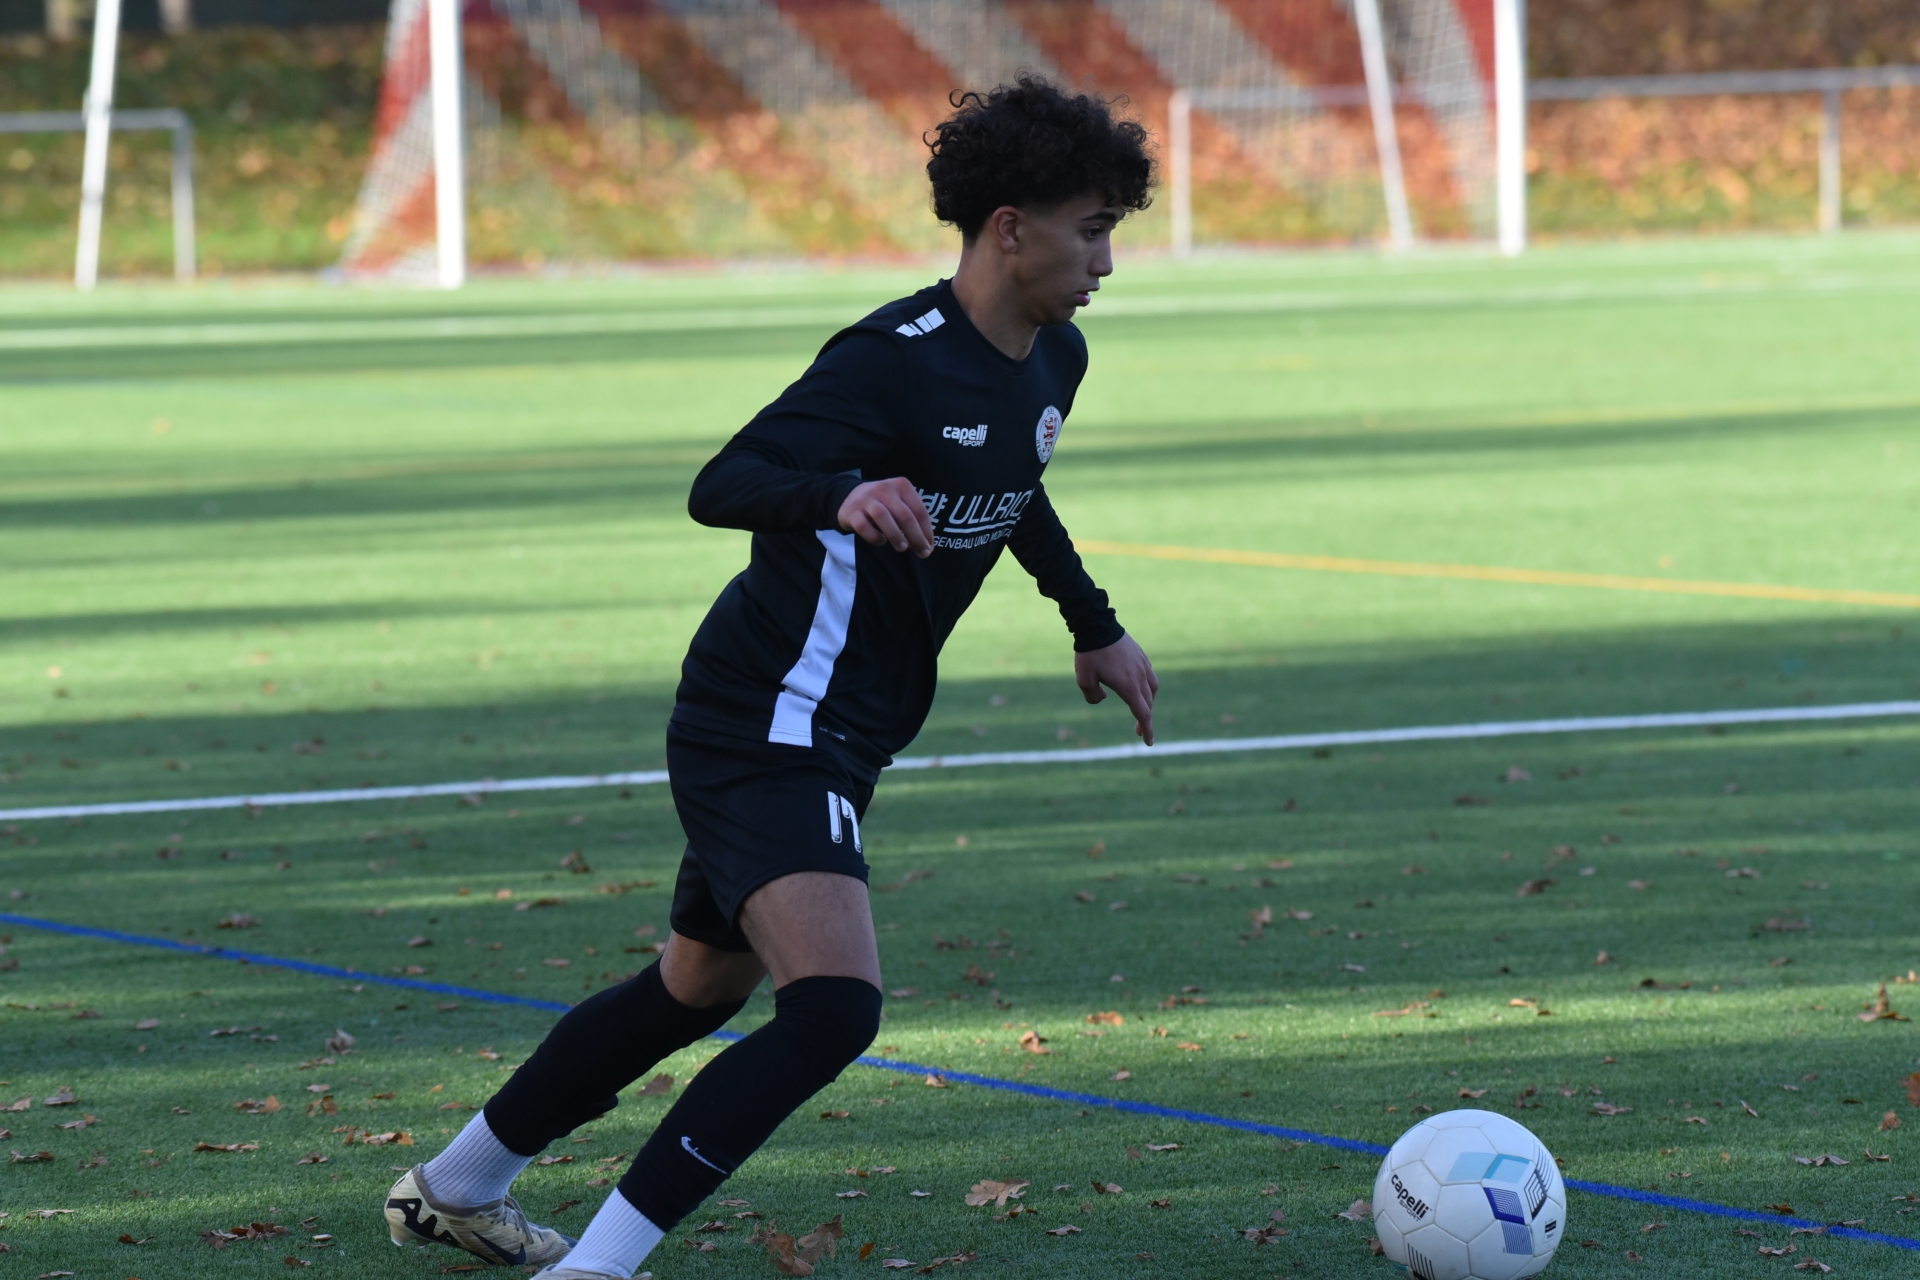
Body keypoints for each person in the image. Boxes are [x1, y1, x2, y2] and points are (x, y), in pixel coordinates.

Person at [383, 75, 1159, 1279]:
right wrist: (838, 493)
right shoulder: (887, 361)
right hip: (771, 713)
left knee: (694, 987)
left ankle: (457, 1185)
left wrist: (1092, 623)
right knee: (835, 1006)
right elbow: (724, 482)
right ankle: (596, 1267)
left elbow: (1017, 483)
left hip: (849, 722)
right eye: (1092, 230)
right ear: (1011, 227)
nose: (1106, 261)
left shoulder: (1057, 355)